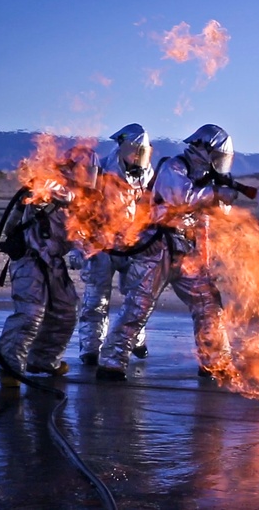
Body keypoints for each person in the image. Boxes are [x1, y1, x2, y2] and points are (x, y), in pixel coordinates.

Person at [96, 124, 239, 382]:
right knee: (137, 306)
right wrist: (215, 192)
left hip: (187, 250)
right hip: (157, 247)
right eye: (217, 157)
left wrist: (222, 196)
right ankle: (111, 362)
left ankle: (214, 362)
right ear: (202, 149)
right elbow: (182, 197)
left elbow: (215, 216)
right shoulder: (174, 167)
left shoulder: (208, 178)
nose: (220, 164)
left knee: (208, 304)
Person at [0, 145, 99, 387]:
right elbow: (40, 193)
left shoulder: (81, 202)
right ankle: (9, 367)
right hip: (30, 261)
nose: (88, 176)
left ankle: (44, 360)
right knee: (30, 315)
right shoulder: (50, 186)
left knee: (65, 311)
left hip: (53, 264)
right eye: (85, 170)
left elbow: (83, 236)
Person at [76, 123, 154, 366]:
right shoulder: (101, 171)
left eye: (142, 152)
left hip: (133, 245)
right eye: (134, 150)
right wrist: (80, 244)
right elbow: (82, 208)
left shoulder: (148, 174)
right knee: (96, 299)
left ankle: (134, 342)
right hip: (102, 244)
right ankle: (91, 348)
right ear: (121, 146)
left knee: (136, 298)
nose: (138, 156)